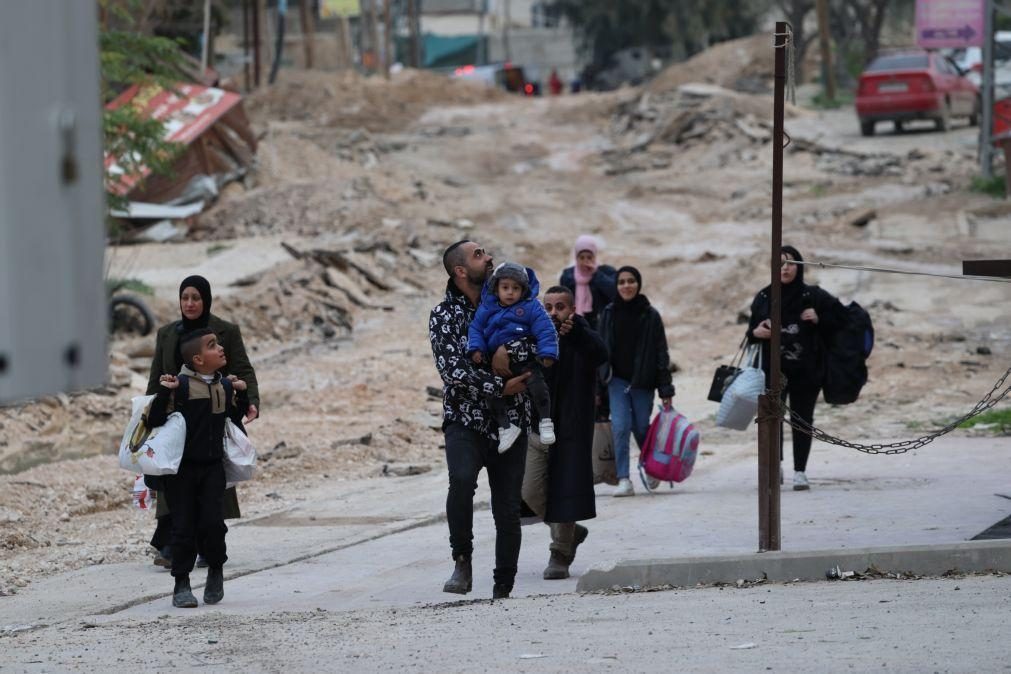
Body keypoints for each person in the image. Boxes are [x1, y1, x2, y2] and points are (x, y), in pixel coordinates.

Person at [429, 240, 533, 600]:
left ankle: (504, 583)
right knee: (460, 481)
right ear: (460, 271)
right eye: (478, 255)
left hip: (513, 419)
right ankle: (462, 560)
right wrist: (497, 386)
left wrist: (510, 349)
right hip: (465, 416)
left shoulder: (514, 299)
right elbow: (451, 369)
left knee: (506, 504)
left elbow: (538, 341)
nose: (489, 258)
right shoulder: (443, 315)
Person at [145, 275, 259, 568]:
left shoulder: (226, 332)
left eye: (196, 298)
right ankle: (173, 544)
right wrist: (148, 416)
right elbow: (155, 376)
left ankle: (209, 545)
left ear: (206, 299)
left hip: (213, 417)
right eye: (185, 298)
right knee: (173, 476)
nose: (190, 303)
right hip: (177, 419)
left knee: (211, 482)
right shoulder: (167, 333)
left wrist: (251, 402)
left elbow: (244, 370)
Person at [146, 328, 249, 608]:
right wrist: (161, 392)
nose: (220, 348)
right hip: (181, 472)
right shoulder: (180, 386)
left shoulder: (223, 386)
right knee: (183, 527)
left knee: (213, 525)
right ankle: (181, 583)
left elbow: (235, 418)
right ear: (198, 359)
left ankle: (216, 569)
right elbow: (154, 420)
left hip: (213, 469)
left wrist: (243, 394)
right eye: (212, 345)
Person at [521, 286, 607, 579]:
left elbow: (601, 353)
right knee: (529, 490)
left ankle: (560, 552)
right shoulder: (532, 334)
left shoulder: (581, 334)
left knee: (566, 490)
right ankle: (570, 531)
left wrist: (577, 333)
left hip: (570, 428)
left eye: (560, 307)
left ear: (572, 309)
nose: (554, 313)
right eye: (548, 307)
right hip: (535, 426)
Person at [746, 245, 843, 491]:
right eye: (779, 264)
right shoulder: (765, 297)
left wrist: (819, 318)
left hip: (806, 372)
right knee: (773, 419)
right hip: (772, 372)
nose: (785, 268)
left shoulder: (813, 296)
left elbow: (841, 321)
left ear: (799, 267)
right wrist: (757, 332)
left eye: (791, 263)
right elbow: (751, 331)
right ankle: (775, 466)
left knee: (803, 421)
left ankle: (800, 471)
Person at [597, 266, 675, 497]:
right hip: (616, 381)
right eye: (621, 282)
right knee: (620, 428)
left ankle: (652, 467)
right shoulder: (609, 313)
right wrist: (599, 385)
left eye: (631, 281)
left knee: (641, 427)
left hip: (643, 382)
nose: (626, 286)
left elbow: (662, 353)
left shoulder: (651, 315)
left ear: (638, 284)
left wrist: (665, 388)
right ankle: (624, 479)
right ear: (616, 286)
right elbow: (600, 351)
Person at [468, 262, 558, 452]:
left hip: (524, 361)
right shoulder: (487, 307)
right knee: (491, 393)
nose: (510, 292)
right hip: (495, 365)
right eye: (505, 287)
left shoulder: (531, 307)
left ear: (523, 289)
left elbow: (546, 330)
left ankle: (545, 421)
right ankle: (506, 427)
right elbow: (476, 328)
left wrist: (548, 353)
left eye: (516, 288)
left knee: (537, 385)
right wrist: (476, 349)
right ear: (496, 288)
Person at [558, 235, 616, 327]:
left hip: (600, 326)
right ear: (576, 258)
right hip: (574, 325)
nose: (586, 261)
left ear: (595, 257)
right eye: (582, 258)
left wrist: (596, 274)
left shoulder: (606, 271)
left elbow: (615, 294)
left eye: (589, 257)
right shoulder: (567, 276)